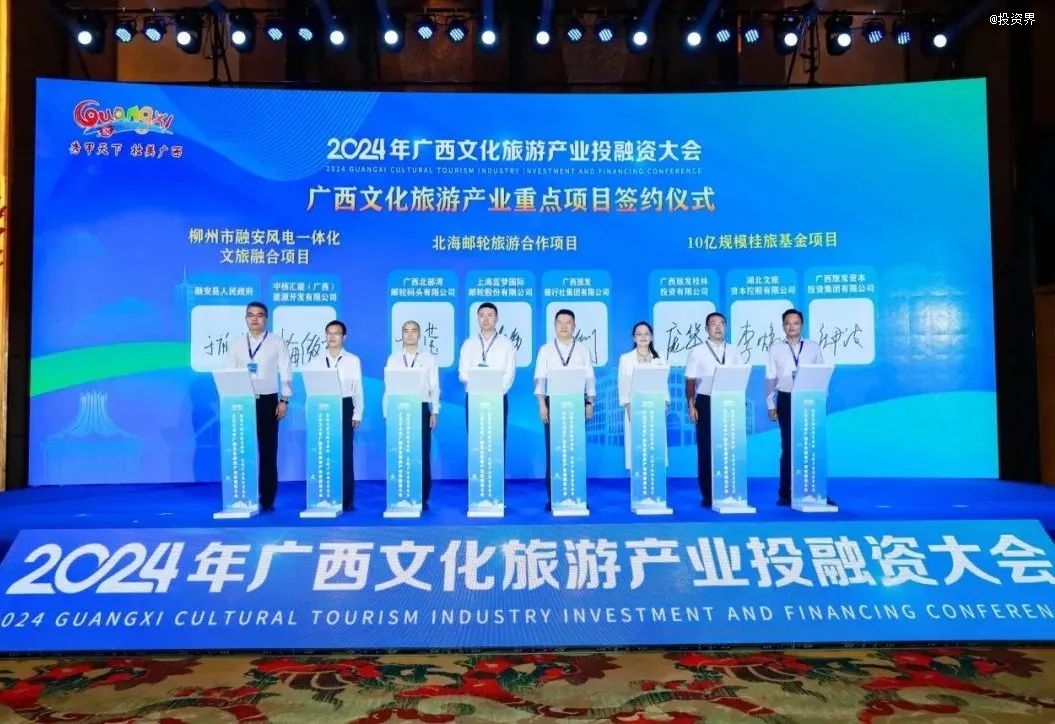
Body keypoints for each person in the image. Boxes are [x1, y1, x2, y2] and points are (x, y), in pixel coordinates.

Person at [226, 301, 293, 513]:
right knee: (241, 450)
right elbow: (229, 374)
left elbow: (286, 372)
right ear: (246, 318)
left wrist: (284, 400)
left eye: (260, 315)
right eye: (251, 315)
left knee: (268, 451)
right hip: (242, 401)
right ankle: (242, 495)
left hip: (268, 401)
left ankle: (267, 499)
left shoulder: (277, 342)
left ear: (266, 318)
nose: (255, 319)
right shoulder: (237, 343)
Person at [534, 308, 596, 511]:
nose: (563, 326)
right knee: (554, 450)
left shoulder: (582, 350)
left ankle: (577, 495)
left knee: (576, 450)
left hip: (577, 402)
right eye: (560, 322)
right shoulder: (545, 350)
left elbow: (590, 379)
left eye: (568, 322)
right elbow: (540, 379)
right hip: (553, 402)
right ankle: (553, 497)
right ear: (554, 326)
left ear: (574, 326)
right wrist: (542, 405)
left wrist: (590, 403)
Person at [765, 308, 826, 506]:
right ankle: (785, 493)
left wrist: (822, 400)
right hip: (786, 398)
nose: (792, 327)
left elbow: (821, 375)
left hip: (810, 400)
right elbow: (770, 378)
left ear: (802, 325)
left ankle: (815, 492)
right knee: (789, 446)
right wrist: (770, 404)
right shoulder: (775, 348)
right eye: (788, 323)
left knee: (811, 446)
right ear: (783, 326)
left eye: (796, 323)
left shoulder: (813, 347)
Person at [684, 312, 740, 507]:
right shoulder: (697, 351)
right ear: (707, 328)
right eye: (713, 324)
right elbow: (690, 380)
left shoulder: (734, 351)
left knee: (729, 446)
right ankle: (708, 493)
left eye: (721, 323)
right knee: (706, 447)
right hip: (705, 402)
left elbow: (739, 375)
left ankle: (728, 488)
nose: (718, 327)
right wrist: (691, 405)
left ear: (725, 327)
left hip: (729, 401)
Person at [384, 320, 441, 509]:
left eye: (413, 331)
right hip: (398, 408)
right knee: (401, 452)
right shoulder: (393, 358)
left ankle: (422, 495)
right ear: (402, 334)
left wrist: (434, 411)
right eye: (405, 331)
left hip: (421, 407)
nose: (409, 334)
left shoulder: (429, 358)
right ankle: (401, 491)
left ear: (419, 334)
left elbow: (434, 387)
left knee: (422, 452)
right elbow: (388, 388)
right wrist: (387, 413)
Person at [309, 320, 363, 512]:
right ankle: (325, 495)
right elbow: (311, 390)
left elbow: (357, 388)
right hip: (322, 407)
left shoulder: (352, 360)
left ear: (344, 337)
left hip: (345, 405)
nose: (332, 337)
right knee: (323, 453)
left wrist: (357, 412)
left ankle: (346, 500)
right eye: (329, 333)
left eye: (336, 333)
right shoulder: (315, 361)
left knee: (345, 453)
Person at [457, 302, 516, 441]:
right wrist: (475, 389)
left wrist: (497, 391)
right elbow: (463, 372)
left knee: (497, 438)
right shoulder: (469, 344)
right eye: (482, 315)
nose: (485, 319)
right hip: (474, 397)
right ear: (477, 318)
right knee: (475, 437)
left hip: (498, 397)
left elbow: (510, 373)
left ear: (497, 318)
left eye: (490, 315)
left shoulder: (506, 344)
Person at [617, 321, 669, 472]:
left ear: (651, 337)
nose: (643, 337)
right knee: (637, 444)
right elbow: (623, 384)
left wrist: (665, 403)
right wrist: (628, 407)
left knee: (655, 443)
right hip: (634, 407)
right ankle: (639, 477)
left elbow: (664, 382)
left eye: (646, 333)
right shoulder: (626, 358)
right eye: (639, 334)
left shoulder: (660, 357)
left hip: (655, 406)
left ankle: (655, 476)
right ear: (633, 338)